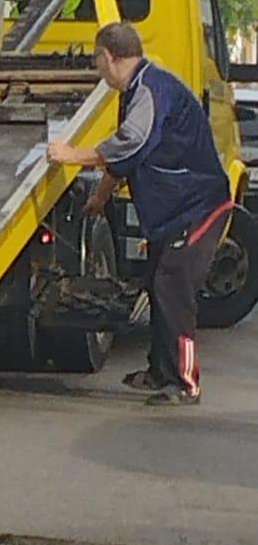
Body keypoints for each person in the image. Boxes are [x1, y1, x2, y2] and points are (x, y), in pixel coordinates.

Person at [47, 22, 231, 406]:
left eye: (96, 60)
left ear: (107, 56)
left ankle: (184, 383)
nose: (97, 68)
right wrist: (99, 197)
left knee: (174, 289)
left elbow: (130, 144)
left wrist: (72, 155)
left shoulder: (148, 89)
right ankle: (159, 372)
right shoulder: (138, 90)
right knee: (157, 283)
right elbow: (128, 160)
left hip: (197, 207)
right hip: (175, 211)